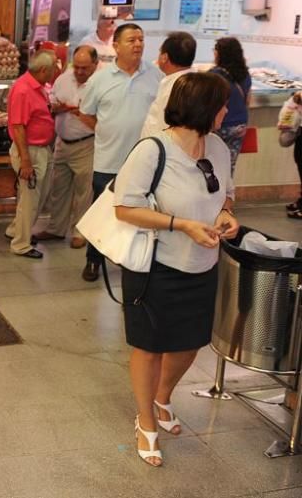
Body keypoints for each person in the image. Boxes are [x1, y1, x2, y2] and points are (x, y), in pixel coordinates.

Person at [113, 73, 238, 467]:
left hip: (202, 263)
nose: (226, 111)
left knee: (190, 341)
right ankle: (146, 419)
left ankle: (162, 396)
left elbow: (226, 192)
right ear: (204, 107)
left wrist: (226, 213)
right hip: (156, 265)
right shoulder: (152, 150)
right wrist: (181, 224)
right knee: (149, 345)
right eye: (221, 105)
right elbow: (124, 207)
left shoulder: (216, 147)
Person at [78, 23, 163, 281]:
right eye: (131, 40)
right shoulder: (100, 79)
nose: (138, 44)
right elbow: (86, 113)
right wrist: (106, 131)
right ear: (116, 46)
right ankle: (93, 260)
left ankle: (135, 260)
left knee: (142, 212)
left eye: (141, 39)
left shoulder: (156, 76)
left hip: (144, 162)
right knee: (102, 211)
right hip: (109, 159)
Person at [35, 45, 97, 251]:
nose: (79, 72)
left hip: (86, 143)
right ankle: (56, 228)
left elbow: (104, 120)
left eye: (84, 68)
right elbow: (51, 103)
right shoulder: (63, 79)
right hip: (62, 142)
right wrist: (59, 107)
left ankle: (80, 232)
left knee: (83, 191)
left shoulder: (100, 84)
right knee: (58, 188)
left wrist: (81, 113)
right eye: (76, 67)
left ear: (95, 66)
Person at [5, 51, 57, 259]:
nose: (54, 73)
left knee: (38, 197)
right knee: (30, 200)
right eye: (53, 69)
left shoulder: (38, 87)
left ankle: (15, 231)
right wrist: (25, 161)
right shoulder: (23, 89)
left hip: (42, 149)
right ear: (43, 70)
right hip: (30, 151)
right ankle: (21, 244)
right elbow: (18, 127)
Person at [141, 31, 197, 138]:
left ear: (164, 57)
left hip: (162, 148)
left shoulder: (174, 87)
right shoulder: (194, 80)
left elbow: (165, 125)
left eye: (160, 52)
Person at [210, 37, 252, 174]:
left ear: (220, 54)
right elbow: (248, 101)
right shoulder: (245, 75)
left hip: (219, 126)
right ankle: (227, 194)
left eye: (215, 50)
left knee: (211, 167)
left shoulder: (214, 76)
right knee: (229, 167)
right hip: (239, 126)